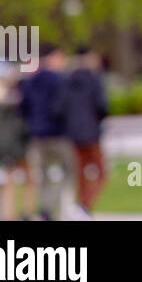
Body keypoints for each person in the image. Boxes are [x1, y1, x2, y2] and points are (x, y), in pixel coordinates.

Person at [19, 44, 74, 220]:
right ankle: (48, 207)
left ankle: (33, 209)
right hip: (57, 134)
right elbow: (63, 107)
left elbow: (24, 106)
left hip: (36, 134)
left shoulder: (32, 80)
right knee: (69, 170)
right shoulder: (59, 79)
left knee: (40, 175)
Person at [61, 47, 108, 215]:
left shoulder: (67, 80)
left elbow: (60, 108)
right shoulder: (94, 80)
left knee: (80, 173)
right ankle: (85, 206)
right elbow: (102, 106)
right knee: (101, 173)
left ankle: (81, 205)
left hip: (73, 134)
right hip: (91, 133)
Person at [0, 79, 29, 220]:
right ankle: (24, 212)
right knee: (28, 178)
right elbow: (22, 128)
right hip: (17, 146)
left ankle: (8, 214)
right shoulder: (19, 106)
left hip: (3, 147)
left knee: (8, 180)